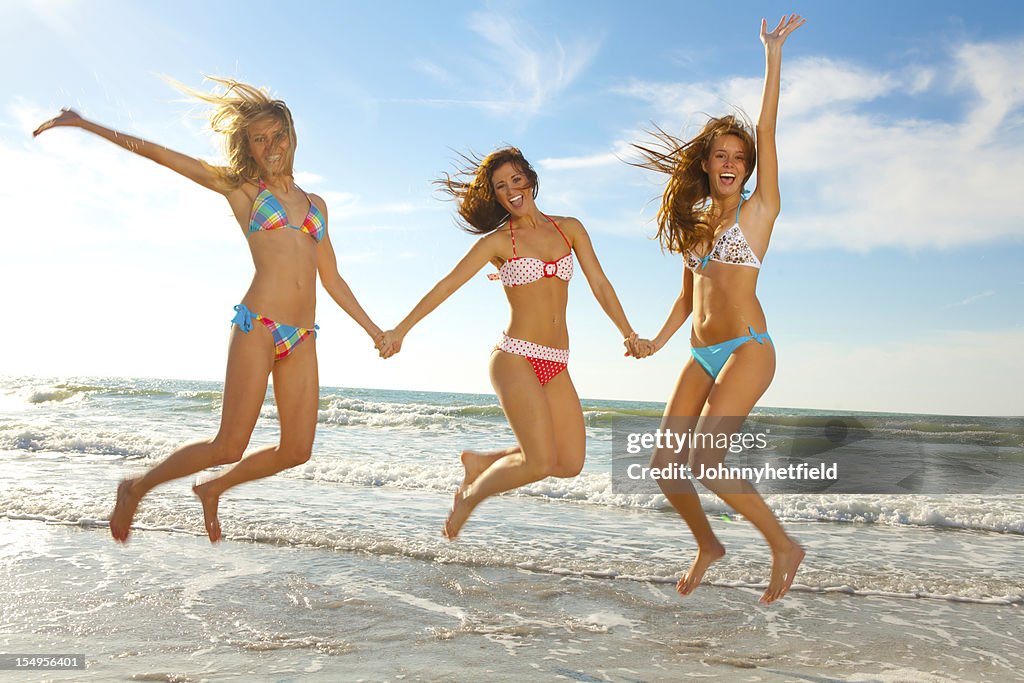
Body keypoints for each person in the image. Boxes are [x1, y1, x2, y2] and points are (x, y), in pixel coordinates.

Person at [33, 78, 385, 543]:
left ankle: (214, 489)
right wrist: (85, 125)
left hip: (302, 336)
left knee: (297, 450)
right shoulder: (242, 190)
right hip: (257, 325)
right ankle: (136, 488)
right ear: (249, 147)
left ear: (292, 134)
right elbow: (160, 154)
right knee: (229, 443)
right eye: (260, 139)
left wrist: (375, 330)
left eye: (277, 135)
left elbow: (332, 278)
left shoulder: (316, 205)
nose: (272, 146)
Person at [377, 147, 642, 539]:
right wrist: (401, 329)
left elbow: (600, 284)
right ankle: (470, 498)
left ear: (531, 180)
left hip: (556, 360)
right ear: (496, 195)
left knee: (568, 462)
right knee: (537, 462)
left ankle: (482, 461)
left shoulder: (569, 228)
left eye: (516, 180)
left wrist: (628, 332)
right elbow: (447, 284)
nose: (511, 191)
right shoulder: (499, 243)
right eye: (501, 186)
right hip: (515, 357)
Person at [632, 15, 806, 604]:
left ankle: (784, 546)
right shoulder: (695, 225)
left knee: (706, 458)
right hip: (700, 352)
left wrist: (772, 55)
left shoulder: (760, 211)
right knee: (664, 463)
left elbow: (767, 124)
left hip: (748, 348)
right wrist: (655, 342)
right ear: (706, 163)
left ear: (748, 167)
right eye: (720, 154)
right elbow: (688, 297)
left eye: (739, 156)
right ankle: (709, 544)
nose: (730, 162)